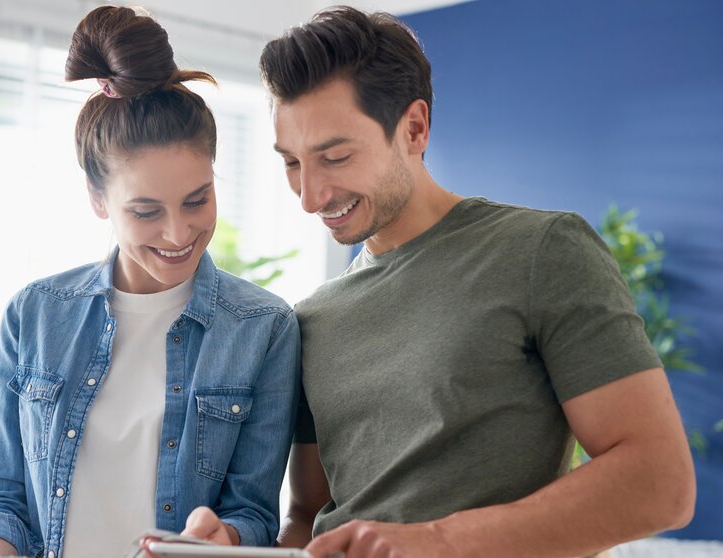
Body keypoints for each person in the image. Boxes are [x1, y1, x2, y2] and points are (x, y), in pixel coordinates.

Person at [259, 6, 695, 558]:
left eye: (336, 156)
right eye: (292, 163)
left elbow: (660, 483)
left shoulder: (541, 251)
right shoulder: (310, 318)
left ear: (413, 128)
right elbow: (305, 517)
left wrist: (436, 541)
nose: (310, 197)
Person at [0, 6, 301, 558]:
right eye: (145, 211)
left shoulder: (264, 328)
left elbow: (252, 512)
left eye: (197, 200)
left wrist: (223, 538)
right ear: (98, 199)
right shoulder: (35, 315)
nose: (178, 232)